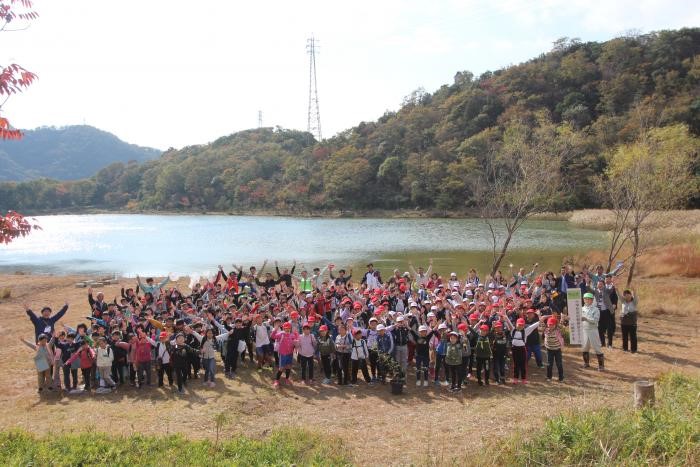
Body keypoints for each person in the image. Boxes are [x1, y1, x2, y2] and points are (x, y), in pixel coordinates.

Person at [581, 292, 605, 370]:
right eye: (585, 299)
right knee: (585, 347)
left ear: (592, 300)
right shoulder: (581, 308)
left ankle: (601, 366)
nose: (587, 300)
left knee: (597, 347)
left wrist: (586, 319)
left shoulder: (596, 309)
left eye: (589, 299)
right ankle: (586, 363)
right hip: (584, 330)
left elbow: (595, 320)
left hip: (593, 330)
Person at [542, 317, 565, 382]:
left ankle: (561, 378)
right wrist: (540, 317)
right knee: (549, 364)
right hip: (549, 349)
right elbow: (541, 325)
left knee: (559, 364)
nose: (550, 326)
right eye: (549, 324)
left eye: (552, 324)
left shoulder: (557, 330)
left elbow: (560, 325)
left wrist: (562, 318)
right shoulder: (546, 330)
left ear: (555, 325)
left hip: (557, 349)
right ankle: (549, 377)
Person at [620, 288, 638, 353]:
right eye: (625, 295)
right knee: (624, 336)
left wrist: (634, 291)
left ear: (631, 295)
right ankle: (625, 348)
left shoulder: (634, 302)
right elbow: (619, 296)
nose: (627, 296)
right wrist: (616, 289)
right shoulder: (623, 301)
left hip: (632, 322)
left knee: (633, 336)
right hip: (624, 322)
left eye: (628, 295)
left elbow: (635, 297)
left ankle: (634, 349)